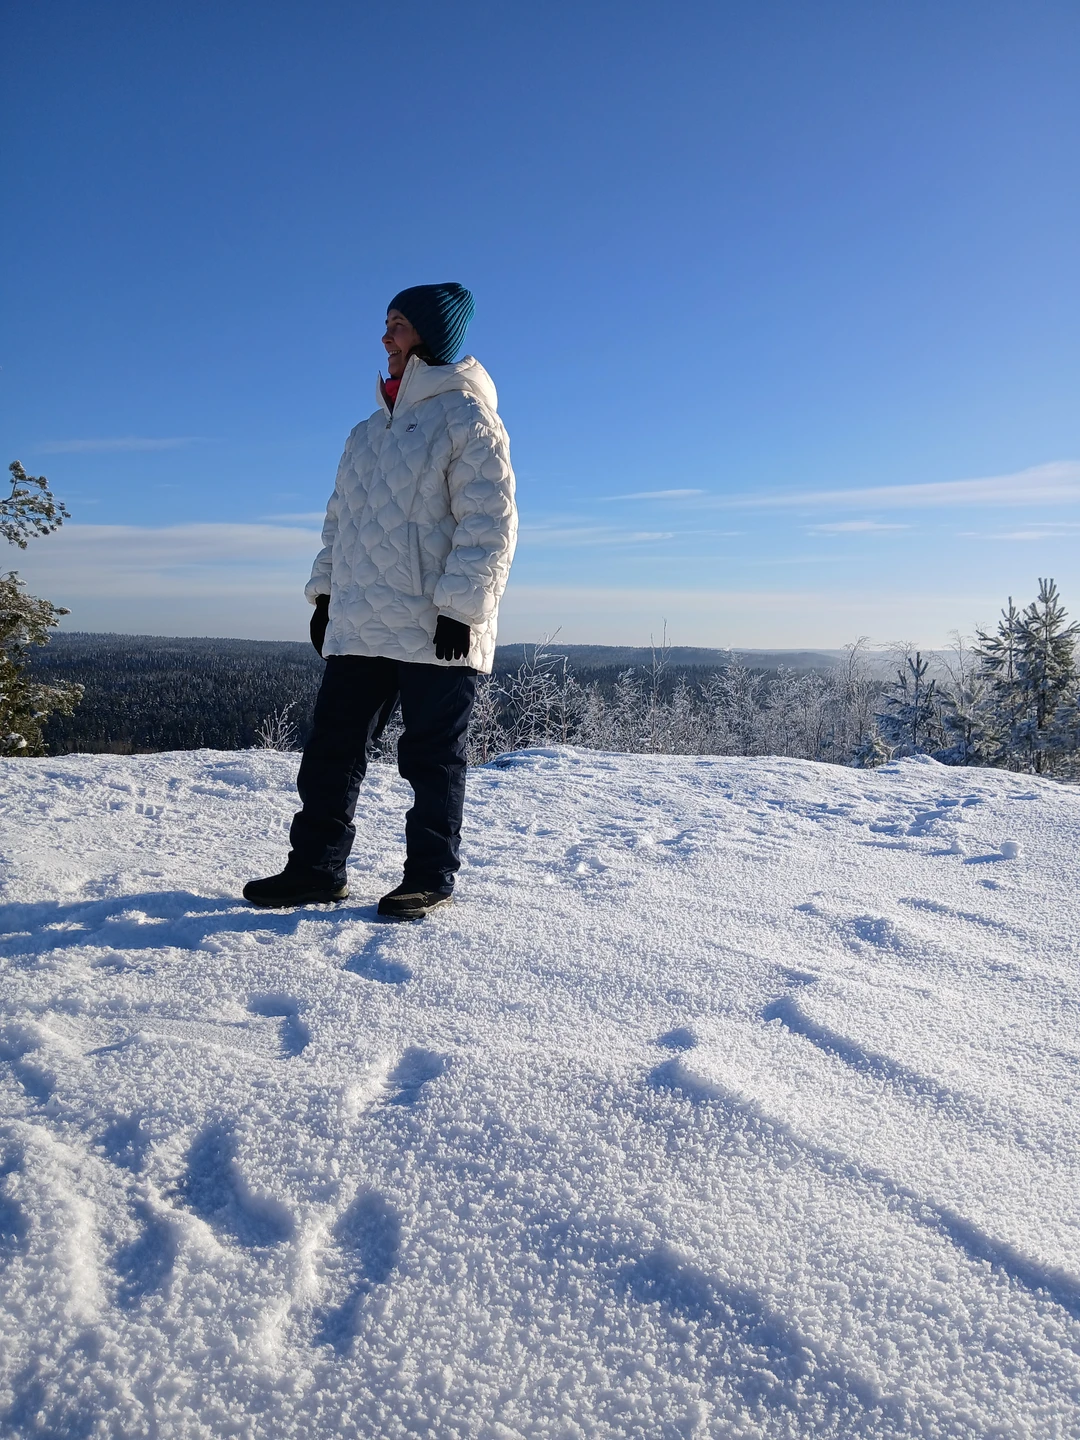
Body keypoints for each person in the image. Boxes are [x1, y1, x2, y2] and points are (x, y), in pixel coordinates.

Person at [244, 283, 517, 918]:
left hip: (437, 623)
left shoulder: (470, 421)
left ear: (429, 336)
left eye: (397, 325)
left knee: (430, 759)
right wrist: (325, 594)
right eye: (386, 325)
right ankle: (315, 869)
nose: (386, 338)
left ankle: (429, 876)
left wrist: (463, 609)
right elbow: (339, 521)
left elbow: (489, 526)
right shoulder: (366, 432)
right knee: (331, 751)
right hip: (362, 617)